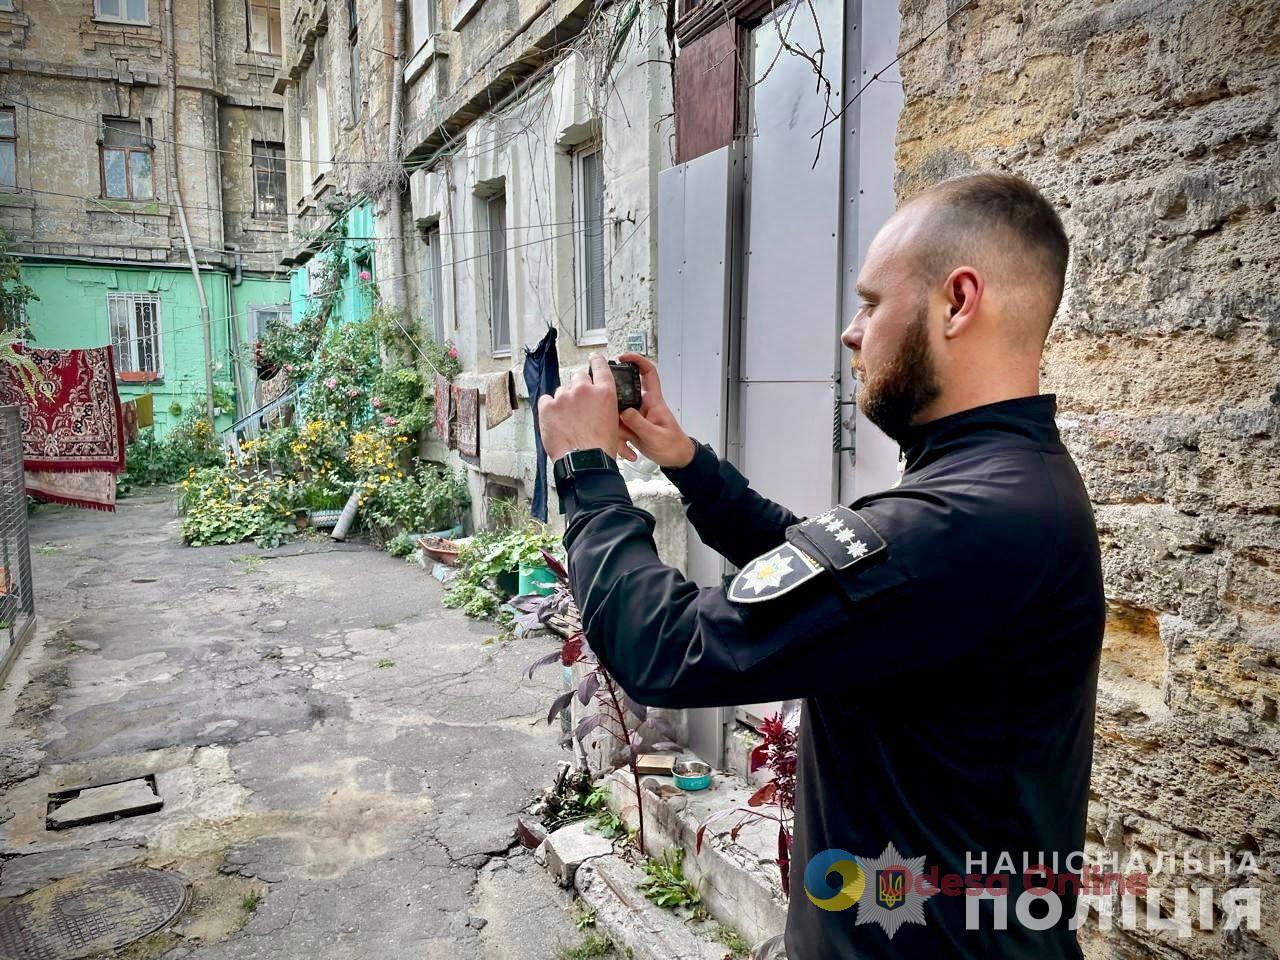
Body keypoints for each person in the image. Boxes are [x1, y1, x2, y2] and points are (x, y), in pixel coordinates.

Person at [537, 173, 1104, 959]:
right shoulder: (1000, 486)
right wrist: (688, 462)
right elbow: (833, 576)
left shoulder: (970, 517)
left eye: (871, 303)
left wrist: (586, 476)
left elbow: (667, 649)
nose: (850, 330)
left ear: (958, 301)